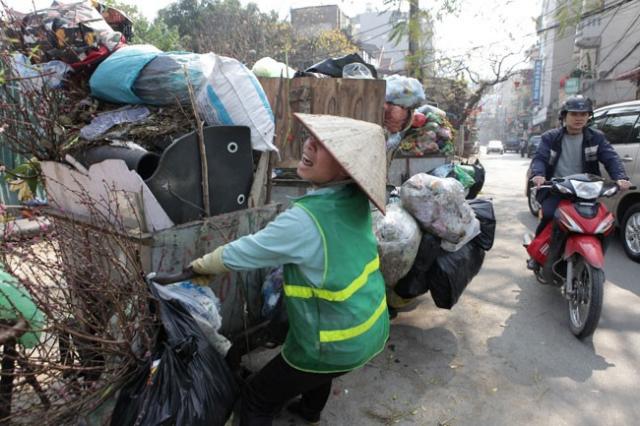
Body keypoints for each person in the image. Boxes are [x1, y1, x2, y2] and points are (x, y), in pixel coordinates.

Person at [187, 113, 390, 425]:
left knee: (257, 396)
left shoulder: (306, 220)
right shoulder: (353, 200)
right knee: (317, 374)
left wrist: (203, 264)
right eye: (312, 137)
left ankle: (299, 409)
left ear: (345, 169)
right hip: (369, 329)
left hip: (333, 345)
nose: (309, 144)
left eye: (324, 145)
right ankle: (309, 412)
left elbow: (250, 250)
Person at [528, 95, 631, 268]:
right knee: (548, 214)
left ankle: (594, 258)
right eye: (574, 114)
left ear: (588, 117)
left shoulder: (596, 137)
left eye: (584, 114)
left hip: (586, 191)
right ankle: (538, 256)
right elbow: (540, 159)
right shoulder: (550, 137)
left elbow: (611, 158)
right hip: (557, 190)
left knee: (605, 222)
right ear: (564, 116)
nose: (579, 118)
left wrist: (620, 177)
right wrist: (538, 175)